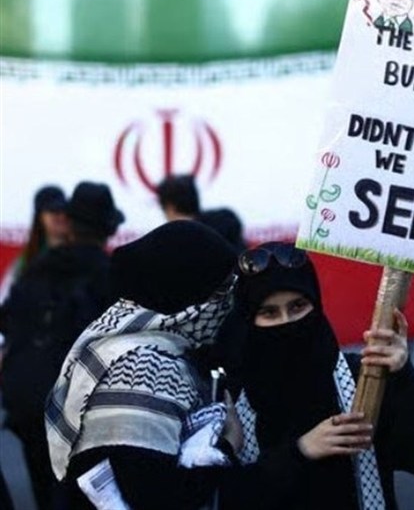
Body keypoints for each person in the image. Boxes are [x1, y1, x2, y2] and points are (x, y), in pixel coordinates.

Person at [220, 242, 414, 510]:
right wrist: (301, 452)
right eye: (269, 312)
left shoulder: (364, 379)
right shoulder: (231, 396)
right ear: (248, 320)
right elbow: (220, 496)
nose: (287, 321)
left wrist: (403, 377)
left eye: (298, 306)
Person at [45, 220, 243, 510]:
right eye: (220, 291)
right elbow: (157, 497)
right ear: (187, 294)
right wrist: (227, 446)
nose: (227, 304)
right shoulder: (146, 364)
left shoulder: (124, 341)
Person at [0, 181, 124, 510]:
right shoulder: (114, 276)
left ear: (70, 224)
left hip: (28, 402)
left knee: (45, 489)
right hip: (81, 410)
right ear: (109, 229)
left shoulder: (35, 270)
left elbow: (10, 324)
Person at [0, 185, 69, 303]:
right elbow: (7, 296)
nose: (60, 216)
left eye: (63, 210)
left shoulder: (77, 254)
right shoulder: (27, 258)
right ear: (40, 217)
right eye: (53, 211)